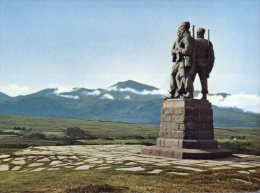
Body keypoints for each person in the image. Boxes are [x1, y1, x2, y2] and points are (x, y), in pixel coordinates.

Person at [167, 21, 195, 99]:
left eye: (181, 27)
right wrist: (175, 51)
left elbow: (187, 51)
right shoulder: (178, 38)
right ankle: (174, 92)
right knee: (174, 75)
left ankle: (188, 92)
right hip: (177, 60)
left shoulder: (187, 37)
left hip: (184, 60)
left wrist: (179, 49)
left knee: (184, 76)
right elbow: (172, 49)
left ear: (185, 28)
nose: (179, 29)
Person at [191, 27, 215, 100]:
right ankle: (204, 95)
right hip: (204, 65)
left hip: (194, 64)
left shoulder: (193, 42)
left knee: (191, 79)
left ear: (197, 33)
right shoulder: (208, 43)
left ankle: (189, 93)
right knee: (203, 80)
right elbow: (211, 57)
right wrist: (210, 67)